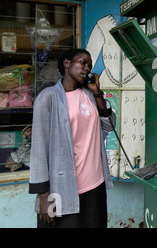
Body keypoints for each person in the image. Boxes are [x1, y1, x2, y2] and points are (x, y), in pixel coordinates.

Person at [29, 48, 116, 228]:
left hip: (95, 184)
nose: (87, 68)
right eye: (82, 62)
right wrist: (43, 195)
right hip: (63, 187)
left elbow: (109, 125)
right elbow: (38, 149)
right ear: (66, 63)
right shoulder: (48, 98)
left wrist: (97, 91)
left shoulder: (91, 96)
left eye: (90, 65)